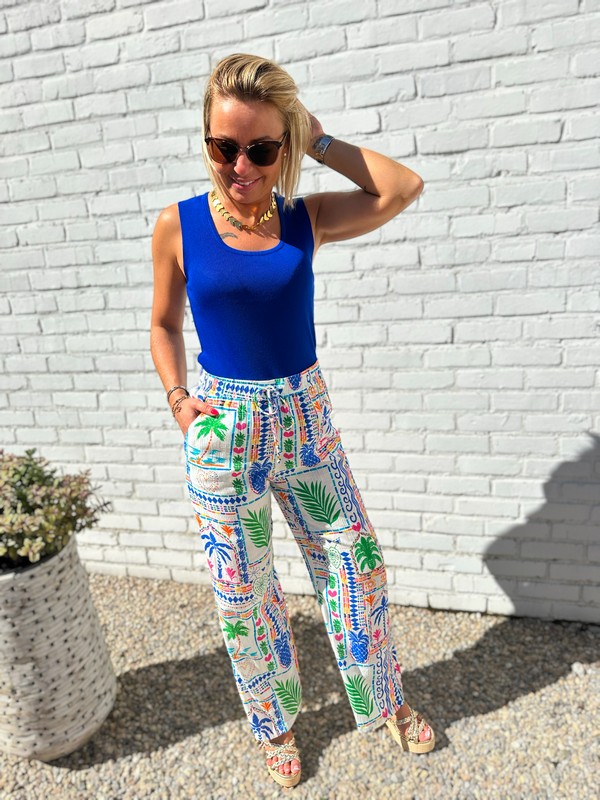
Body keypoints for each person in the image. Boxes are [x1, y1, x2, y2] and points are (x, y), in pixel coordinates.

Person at [150, 53, 434, 789]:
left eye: (262, 148)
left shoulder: (304, 219)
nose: (240, 166)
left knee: (355, 562)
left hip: (305, 417)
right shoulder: (178, 226)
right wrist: (180, 403)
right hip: (224, 428)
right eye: (224, 147)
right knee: (244, 592)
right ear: (206, 140)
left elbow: (401, 187)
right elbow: (162, 325)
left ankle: (385, 699)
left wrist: (320, 141)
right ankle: (274, 725)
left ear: (286, 146)